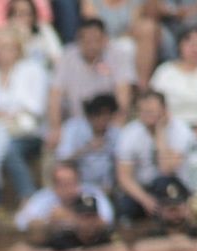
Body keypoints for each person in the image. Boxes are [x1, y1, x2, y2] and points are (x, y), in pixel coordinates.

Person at [0, 26, 49, 200]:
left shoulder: (33, 70)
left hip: (30, 132)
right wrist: (5, 114)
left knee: (7, 147)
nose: (3, 52)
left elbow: (37, 107)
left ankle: (28, 197)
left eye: (9, 47)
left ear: (18, 49)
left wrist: (4, 113)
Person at [46, 18, 132, 153]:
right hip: (76, 124)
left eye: (96, 40)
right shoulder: (67, 57)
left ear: (105, 39)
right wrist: (56, 128)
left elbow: (123, 96)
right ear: (79, 41)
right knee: (64, 155)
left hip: (108, 125)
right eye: (87, 41)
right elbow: (55, 96)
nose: (92, 45)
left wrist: (114, 129)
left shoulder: (118, 55)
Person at [114, 88, 197, 218]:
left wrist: (160, 132)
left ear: (164, 110)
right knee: (125, 206)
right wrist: (145, 199)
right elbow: (124, 177)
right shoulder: (129, 133)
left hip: (175, 186)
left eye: (152, 111)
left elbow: (167, 169)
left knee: (163, 182)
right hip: (143, 189)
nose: (148, 116)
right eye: (144, 112)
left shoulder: (181, 131)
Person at [12, 158, 121, 251]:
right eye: (62, 184)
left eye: (71, 182)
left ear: (78, 181)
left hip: (90, 244)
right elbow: (22, 222)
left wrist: (71, 218)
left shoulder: (92, 194)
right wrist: (48, 222)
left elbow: (107, 220)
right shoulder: (43, 198)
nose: (68, 188)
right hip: (56, 244)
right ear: (55, 185)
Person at [150, 27, 197, 142]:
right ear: (180, 45)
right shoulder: (165, 71)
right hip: (171, 128)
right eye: (191, 44)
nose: (196, 49)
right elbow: (153, 102)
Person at [127, 175, 197, 251]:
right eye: (170, 209)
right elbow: (139, 250)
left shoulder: (196, 231)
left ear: (187, 207)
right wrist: (174, 244)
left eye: (178, 208)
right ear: (160, 209)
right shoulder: (153, 230)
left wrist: (187, 244)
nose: (175, 213)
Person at [57, 90, 120, 193]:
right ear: (91, 115)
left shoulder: (116, 133)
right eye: (100, 115)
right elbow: (63, 159)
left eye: (108, 116)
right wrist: (87, 149)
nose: (104, 121)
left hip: (106, 188)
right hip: (78, 186)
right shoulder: (73, 128)